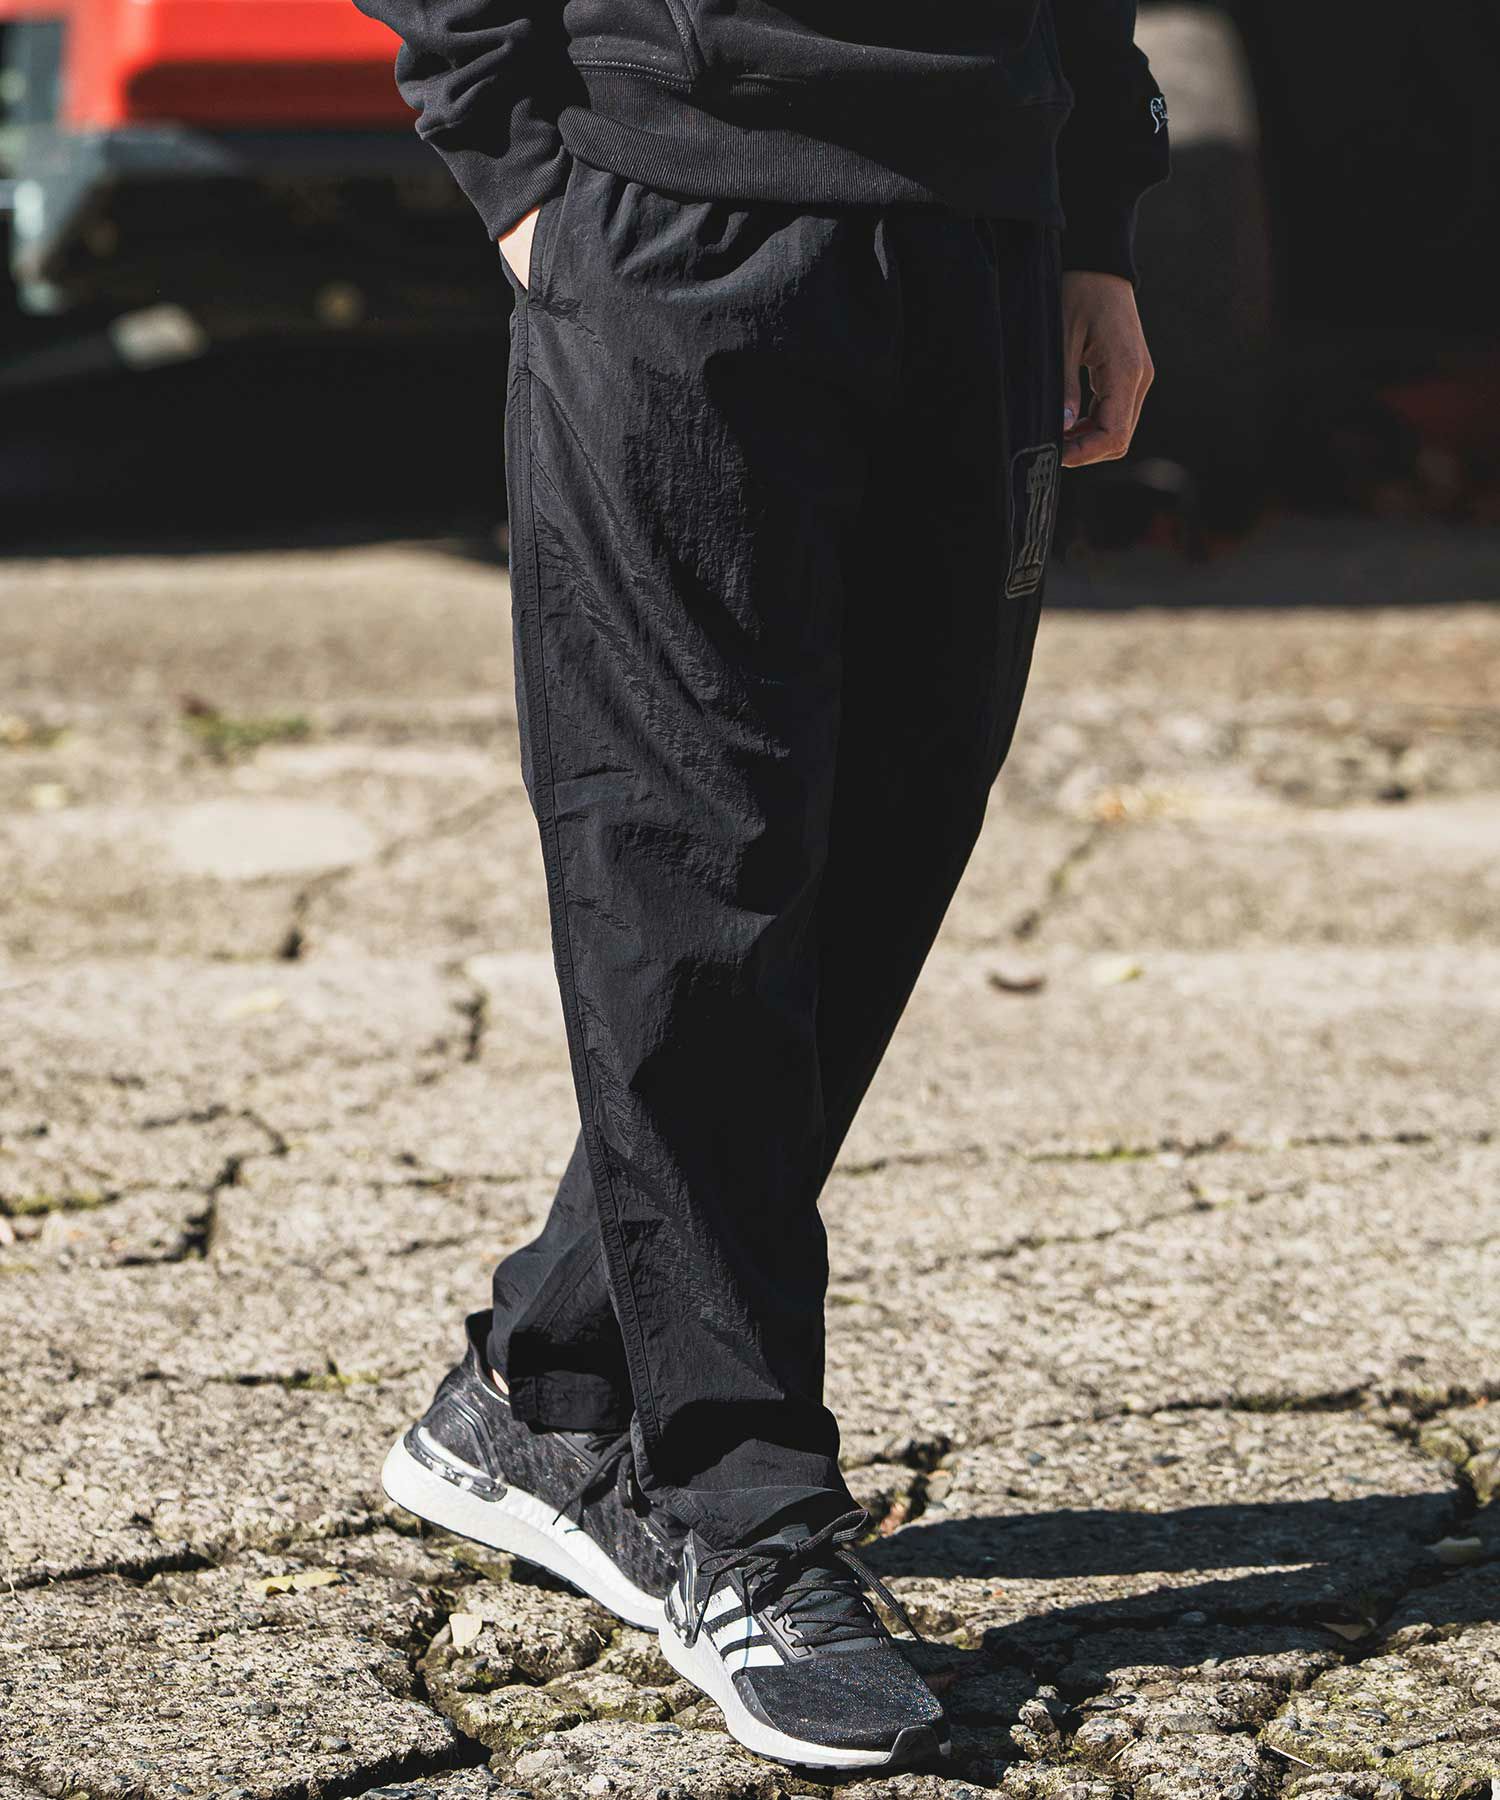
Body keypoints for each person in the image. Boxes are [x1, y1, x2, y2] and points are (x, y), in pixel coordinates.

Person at [357, 0, 1169, 1771]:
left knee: (881, 846)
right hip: (677, 213)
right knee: (695, 872)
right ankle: (739, 1509)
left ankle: (549, 1385)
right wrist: (515, 158)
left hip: (986, 233)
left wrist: (1091, 220)